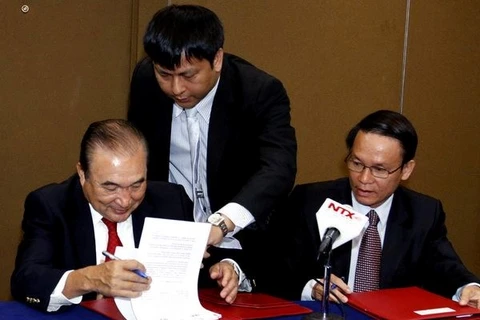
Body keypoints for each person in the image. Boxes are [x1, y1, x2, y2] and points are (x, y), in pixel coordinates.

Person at [11, 119, 244, 312]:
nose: (124, 200)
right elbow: (26, 279)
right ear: (82, 174)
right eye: (110, 187)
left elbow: (209, 259)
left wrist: (227, 268)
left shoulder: (170, 200)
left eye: (136, 185)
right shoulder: (51, 205)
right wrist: (90, 278)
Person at [127, 4, 297, 263]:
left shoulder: (258, 92)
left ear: (217, 59)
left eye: (188, 75)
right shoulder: (145, 80)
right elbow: (138, 155)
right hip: (171, 240)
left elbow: (278, 168)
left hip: (240, 240)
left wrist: (223, 223)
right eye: (165, 74)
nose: (176, 88)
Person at [266, 110, 480, 308]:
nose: (364, 179)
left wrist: (469, 287)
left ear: (406, 170)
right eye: (356, 163)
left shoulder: (423, 213)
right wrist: (310, 288)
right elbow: (270, 267)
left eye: (379, 169)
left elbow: (446, 267)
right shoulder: (310, 201)